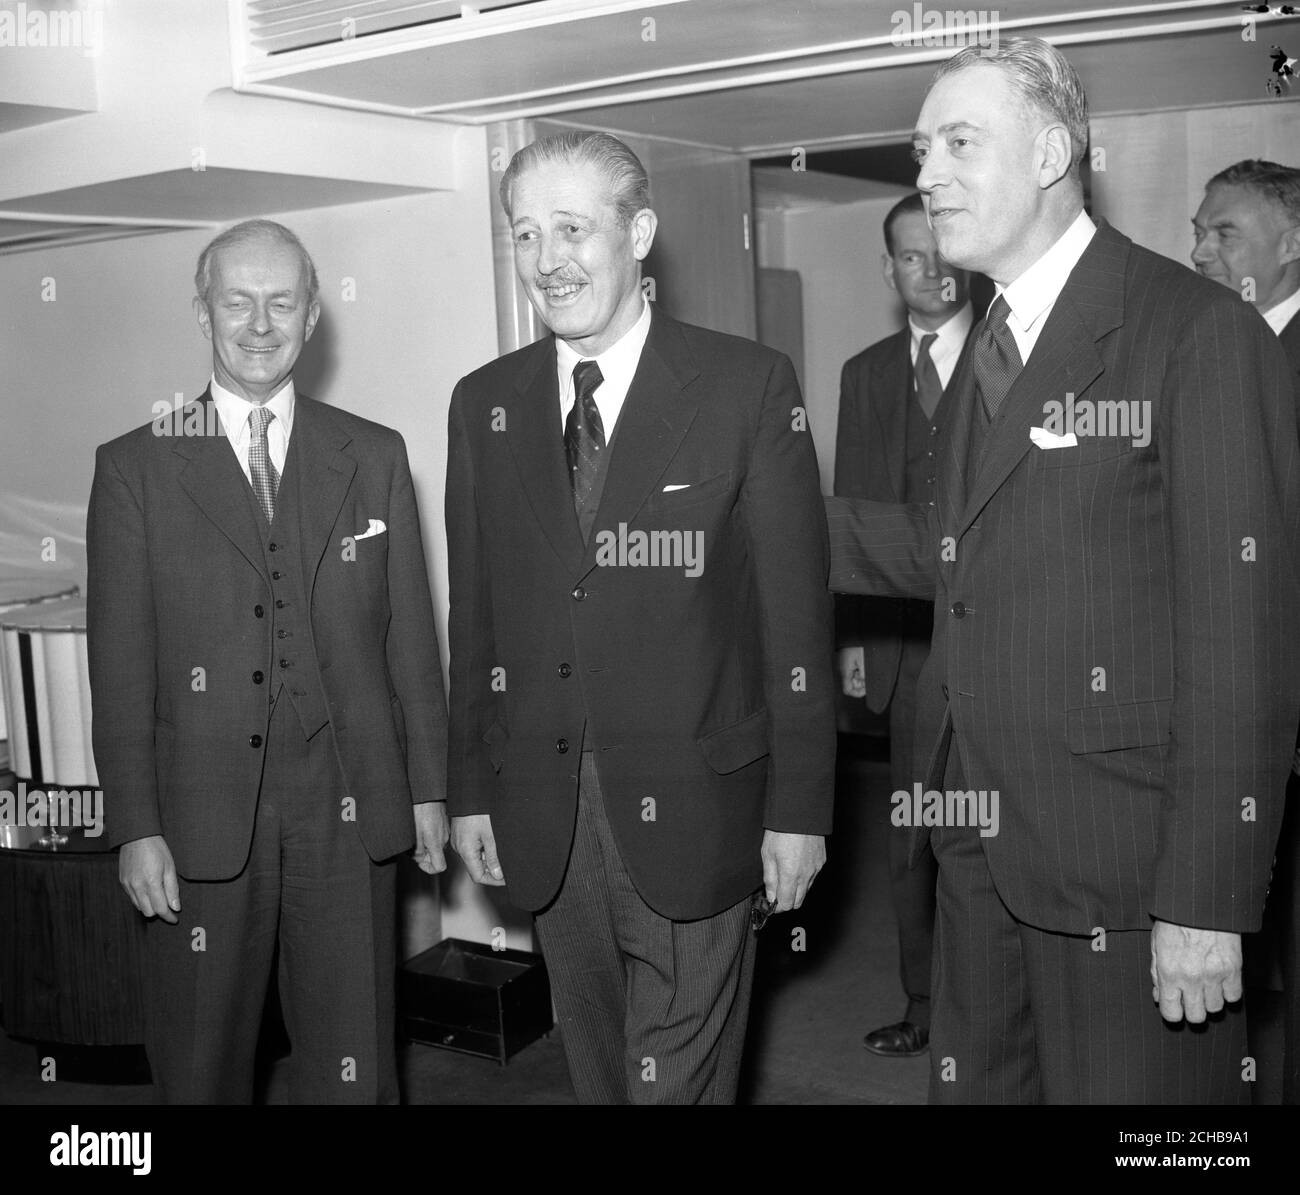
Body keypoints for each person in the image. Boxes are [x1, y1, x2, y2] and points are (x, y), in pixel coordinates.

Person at [825, 38, 1300, 1103]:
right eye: (919, 148)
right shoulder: (993, 331)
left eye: (957, 143)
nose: (926, 174)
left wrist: (1207, 898)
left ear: (1050, 152)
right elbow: (954, 548)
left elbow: (1245, 641)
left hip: (1127, 871)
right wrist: (764, 516)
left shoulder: (1195, 334)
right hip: (977, 846)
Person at [444, 131, 835, 1104]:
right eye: (524, 233)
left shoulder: (747, 387)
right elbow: (477, 619)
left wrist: (800, 811)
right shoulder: (482, 405)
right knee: (600, 1076)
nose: (546, 260)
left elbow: (795, 627)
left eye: (571, 229)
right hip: (546, 817)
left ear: (641, 233)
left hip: (700, 810)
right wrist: (467, 790)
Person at [86, 219, 449, 1103]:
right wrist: (136, 825)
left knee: (353, 1060)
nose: (259, 322)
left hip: (350, 801)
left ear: (313, 313)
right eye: (237, 301)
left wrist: (431, 786)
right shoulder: (136, 465)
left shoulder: (374, 453)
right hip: (199, 816)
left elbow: (411, 640)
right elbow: (122, 669)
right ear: (203, 311)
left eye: (281, 301)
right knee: (201, 1062)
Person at [834, 191, 972, 1058]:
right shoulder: (864, 374)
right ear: (889, 270)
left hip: (988, 638)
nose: (935, 271)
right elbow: (850, 510)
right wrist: (852, 639)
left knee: (985, 834)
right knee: (910, 837)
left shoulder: (1011, 358)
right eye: (914, 258)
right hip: (900, 644)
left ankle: (992, 1009)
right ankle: (924, 1005)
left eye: (944, 251)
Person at [1193, 159, 1300, 1104]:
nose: (1200, 250)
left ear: (1290, 243)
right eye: (1198, 229)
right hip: (1227, 716)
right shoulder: (1193, 348)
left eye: (1224, 232)